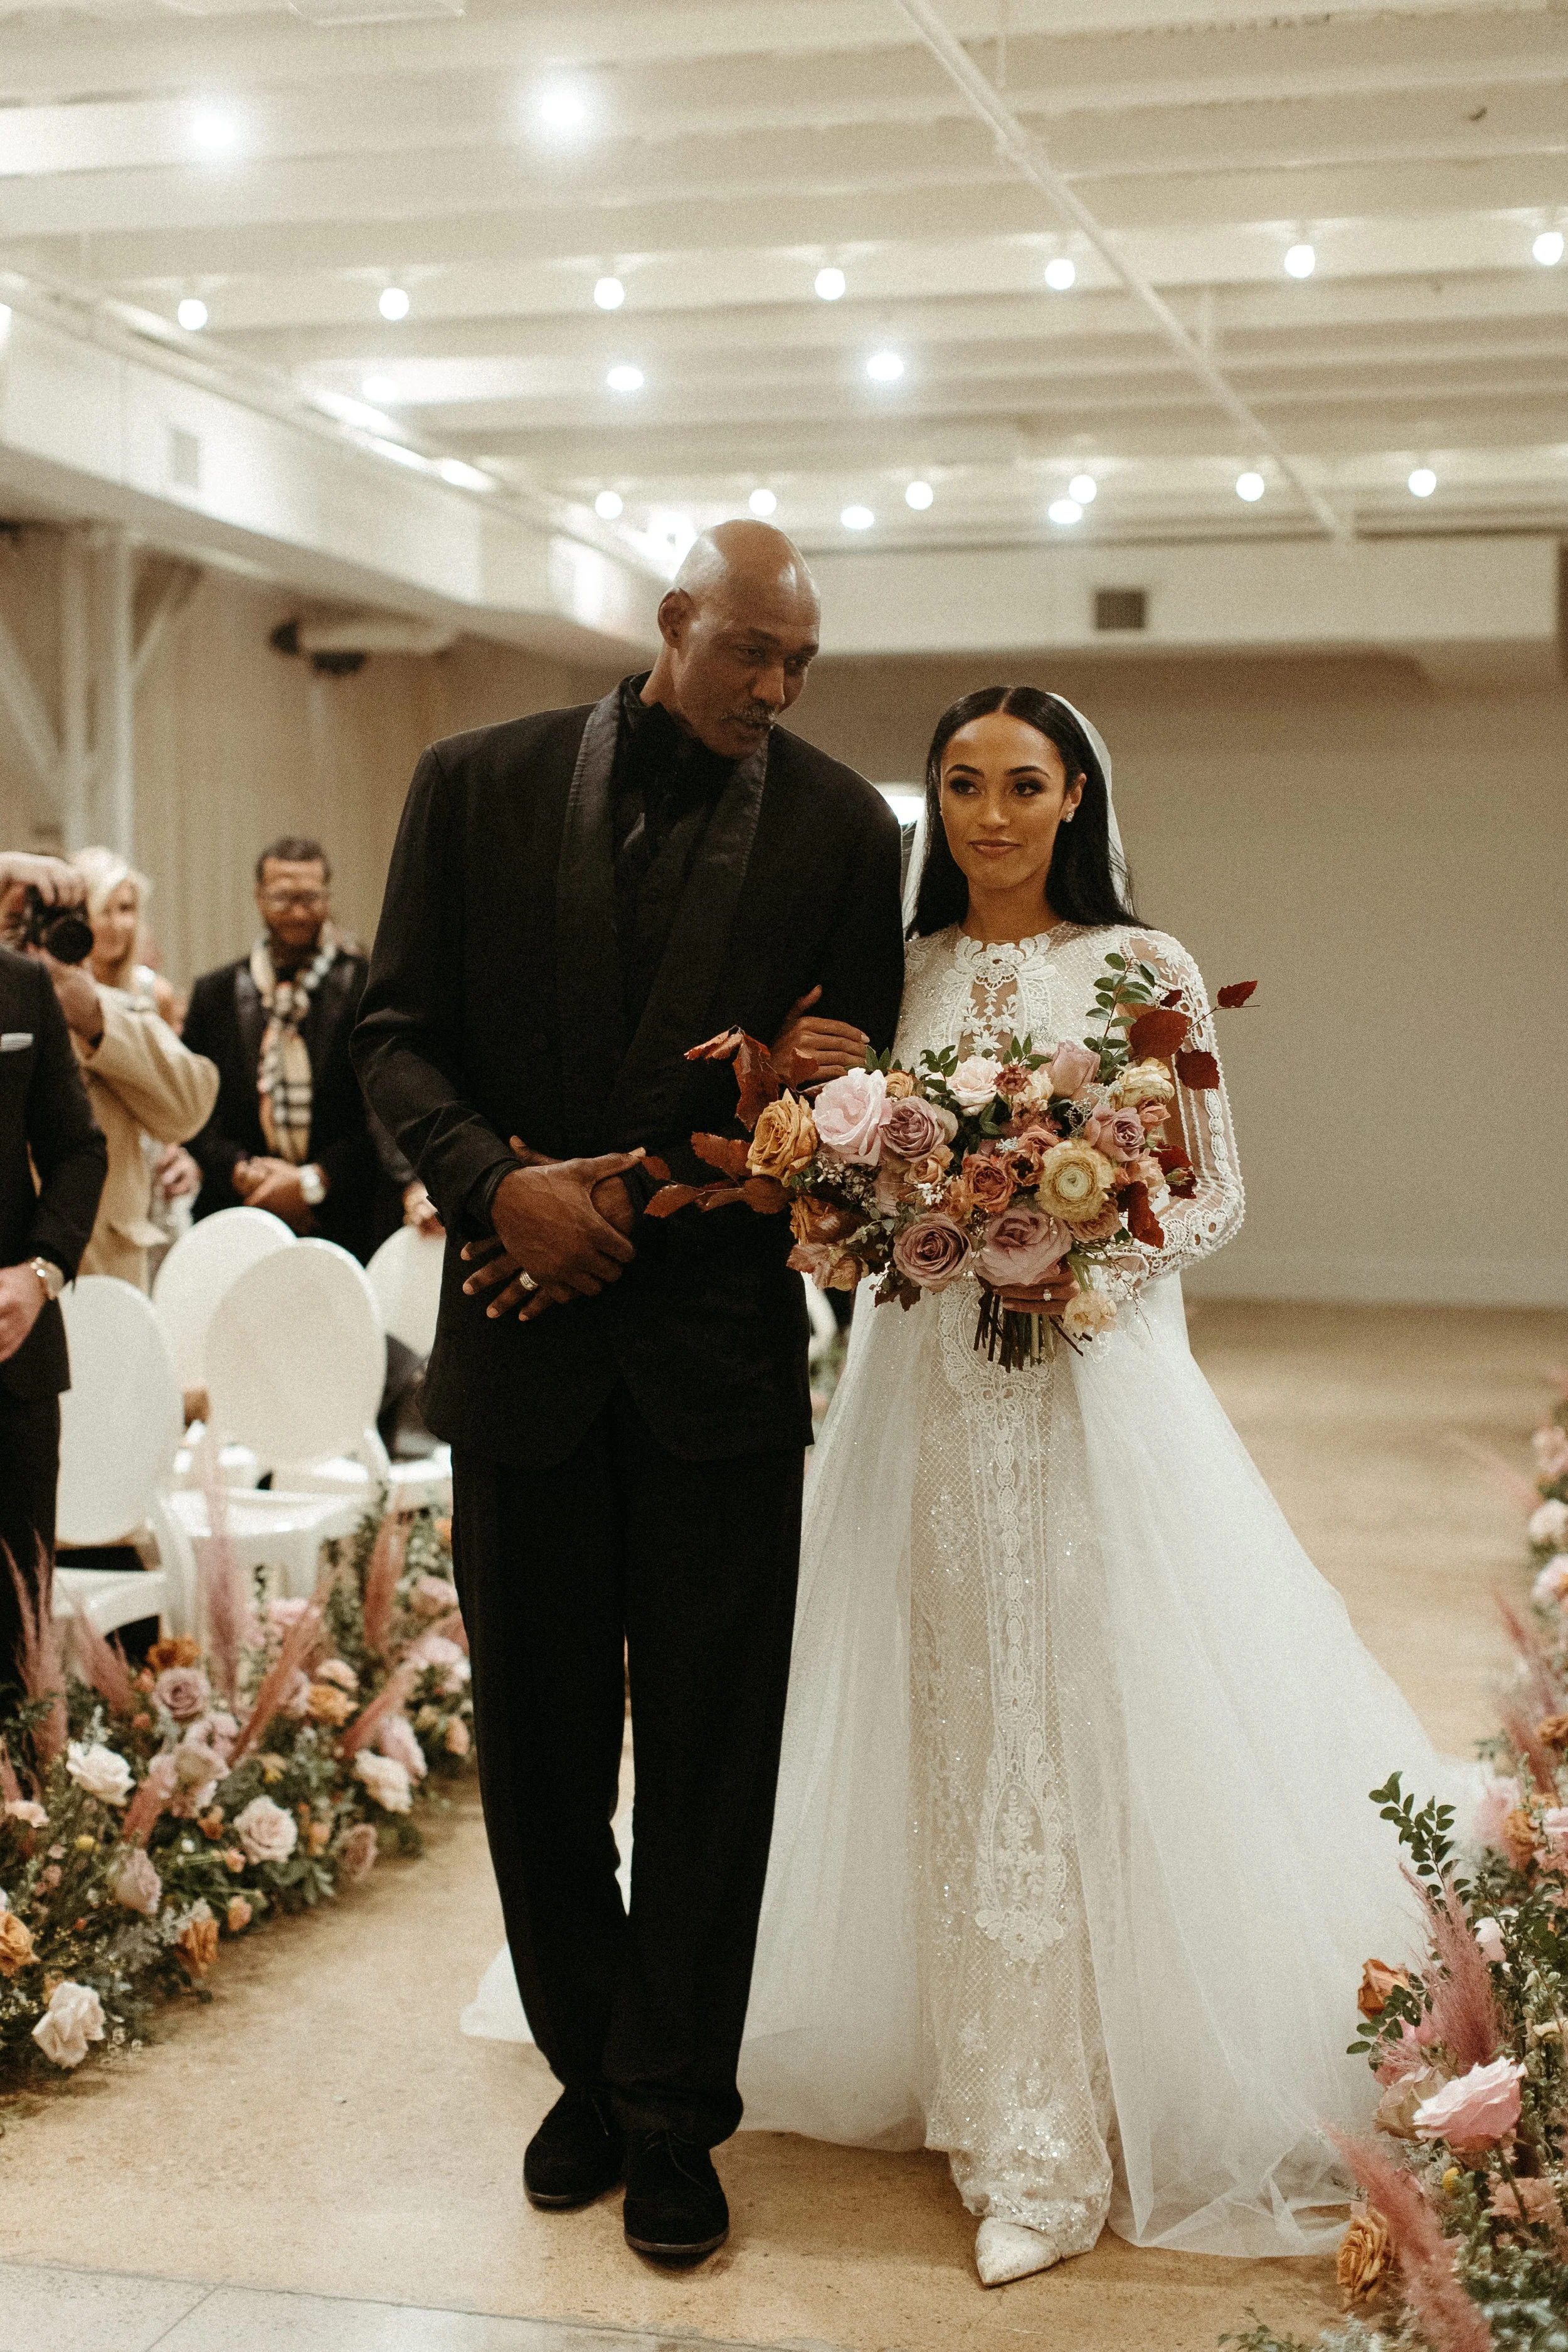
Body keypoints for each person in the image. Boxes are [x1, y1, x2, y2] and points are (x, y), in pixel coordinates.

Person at [716, 687, 1470, 2283]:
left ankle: (1060, 2132)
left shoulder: (1145, 967)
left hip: (1083, 1394)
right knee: (953, 1711)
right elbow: (856, 1171)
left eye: (1022, 784)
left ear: (1075, 798)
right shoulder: (904, 972)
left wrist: (1074, 1253)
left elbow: (1209, 1186)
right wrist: (864, 1192)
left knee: (1082, 1713)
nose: (989, 815)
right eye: (961, 784)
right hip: (925, 1399)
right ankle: (983, 2079)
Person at [354, 521, 904, 2262]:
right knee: (533, 1752)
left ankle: (675, 2108)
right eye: (752, 651)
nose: (778, 687)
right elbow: (392, 1033)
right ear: (674, 623)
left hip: (715, 1369)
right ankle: (586, 2067)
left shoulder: (843, 827)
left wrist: (731, 1146)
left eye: (800, 663)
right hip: (516, 1342)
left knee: (712, 1759)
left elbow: (845, 1104)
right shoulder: (473, 782)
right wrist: (490, 1186)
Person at [0, 852, 107, 1701]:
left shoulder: (24, 986)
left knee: (16, 1631)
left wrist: (38, 1273)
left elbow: (79, 1147)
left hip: (12, 1359)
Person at [183, 837, 384, 1263]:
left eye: (310, 898)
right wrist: (243, 1171)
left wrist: (312, 1182)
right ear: (259, 897)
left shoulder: (369, 988)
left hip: (346, 1221)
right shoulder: (214, 994)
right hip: (238, 1216)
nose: (298, 912)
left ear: (328, 897)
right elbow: (192, 1111)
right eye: (283, 898)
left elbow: (384, 1114)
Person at [34, 847, 219, 1292]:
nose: (119, 925)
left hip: (112, 1246)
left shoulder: (138, 1000)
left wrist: (95, 1018)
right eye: (106, 910)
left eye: (128, 909)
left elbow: (188, 1106)